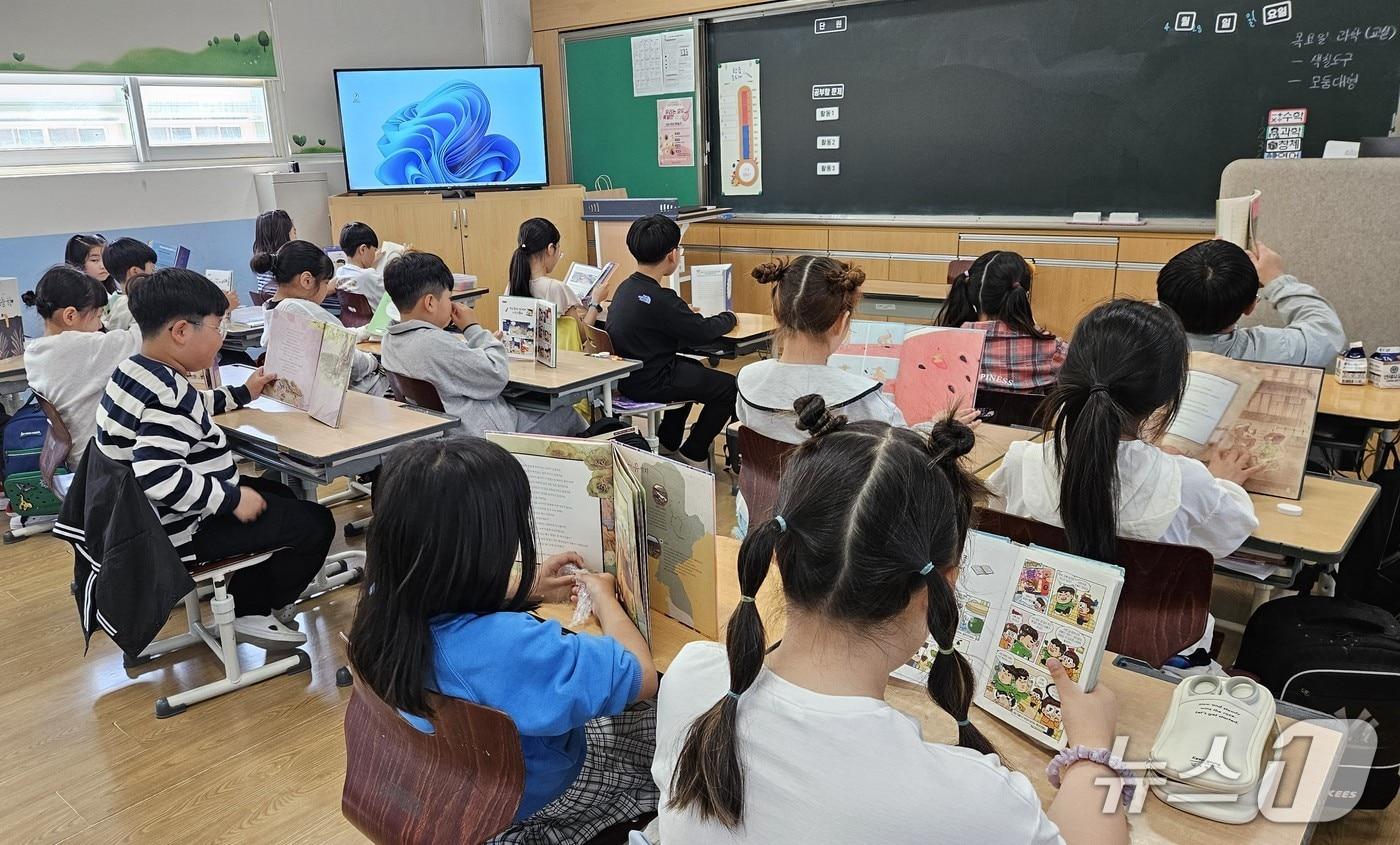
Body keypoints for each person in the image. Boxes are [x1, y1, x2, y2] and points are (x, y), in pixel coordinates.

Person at [653, 397, 1128, 844]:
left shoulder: (690, 677)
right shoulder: (969, 800)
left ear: (776, 555)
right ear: (942, 587)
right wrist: (1091, 752)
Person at [348, 436, 658, 843]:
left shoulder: (382, 600)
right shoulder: (509, 646)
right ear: (490, 542)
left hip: (447, 783)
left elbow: (439, 591)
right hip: (534, 797)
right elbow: (641, 674)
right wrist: (604, 598)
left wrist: (528, 587)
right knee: (664, 727)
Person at [987, 299, 1259, 661]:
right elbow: (1229, 535)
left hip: (1040, 643)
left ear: (1069, 372)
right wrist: (1224, 482)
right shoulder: (1187, 481)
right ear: (1168, 397)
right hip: (1157, 659)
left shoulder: (1022, 461)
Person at [93, 268, 333, 647]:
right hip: (181, 531)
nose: (221, 336)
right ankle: (251, 610)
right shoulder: (169, 395)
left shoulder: (136, 370)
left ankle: (249, 588)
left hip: (142, 522)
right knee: (316, 524)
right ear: (181, 331)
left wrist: (241, 394)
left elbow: (190, 406)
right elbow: (160, 476)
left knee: (281, 495)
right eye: (217, 326)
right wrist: (232, 499)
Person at [380, 251, 584, 437]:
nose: (452, 304)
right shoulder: (434, 344)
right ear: (430, 302)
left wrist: (482, 347)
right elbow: (496, 376)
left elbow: (452, 366)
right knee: (566, 414)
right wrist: (473, 328)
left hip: (449, 435)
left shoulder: (390, 340)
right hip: (487, 436)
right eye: (449, 297)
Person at [606, 214, 737, 467]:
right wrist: (729, 317)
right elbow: (702, 330)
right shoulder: (662, 298)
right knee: (729, 388)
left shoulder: (625, 288)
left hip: (630, 377)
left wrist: (680, 314)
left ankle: (669, 440)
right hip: (652, 380)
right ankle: (694, 451)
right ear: (672, 255)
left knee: (693, 369)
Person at [736, 256, 904, 443]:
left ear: (775, 315)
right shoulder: (871, 404)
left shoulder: (748, 386)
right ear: (841, 322)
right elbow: (908, 452)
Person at [22, 265, 142, 467]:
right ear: (70, 316)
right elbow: (141, 338)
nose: (100, 325)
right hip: (101, 462)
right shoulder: (81, 347)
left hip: (77, 458)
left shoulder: (34, 351)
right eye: (97, 316)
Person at [1155, 240, 1344, 368]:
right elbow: (1326, 334)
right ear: (1251, 306)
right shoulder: (1264, 351)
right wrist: (1277, 281)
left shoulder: (1141, 341)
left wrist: (1205, 260)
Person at [260, 240, 387, 396]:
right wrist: (373, 361)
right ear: (307, 280)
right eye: (326, 282)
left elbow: (330, 335)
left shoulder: (274, 309)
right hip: (353, 393)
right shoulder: (304, 312)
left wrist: (364, 331)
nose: (328, 288)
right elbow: (350, 362)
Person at [936, 250, 1068, 390]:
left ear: (971, 293)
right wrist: (1032, 326)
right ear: (1023, 296)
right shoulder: (1057, 352)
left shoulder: (942, 346)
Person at [507, 217, 604, 329]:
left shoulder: (513, 285)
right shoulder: (555, 288)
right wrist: (595, 303)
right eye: (559, 249)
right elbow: (582, 333)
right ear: (550, 249)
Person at [334, 221, 405, 308]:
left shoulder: (340, 272)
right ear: (363, 249)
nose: (375, 255)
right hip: (375, 317)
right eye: (374, 250)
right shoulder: (369, 275)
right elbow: (395, 296)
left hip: (351, 316)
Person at [99, 237, 157, 331]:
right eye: (153, 270)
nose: (154, 275)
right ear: (135, 271)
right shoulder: (129, 305)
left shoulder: (116, 303)